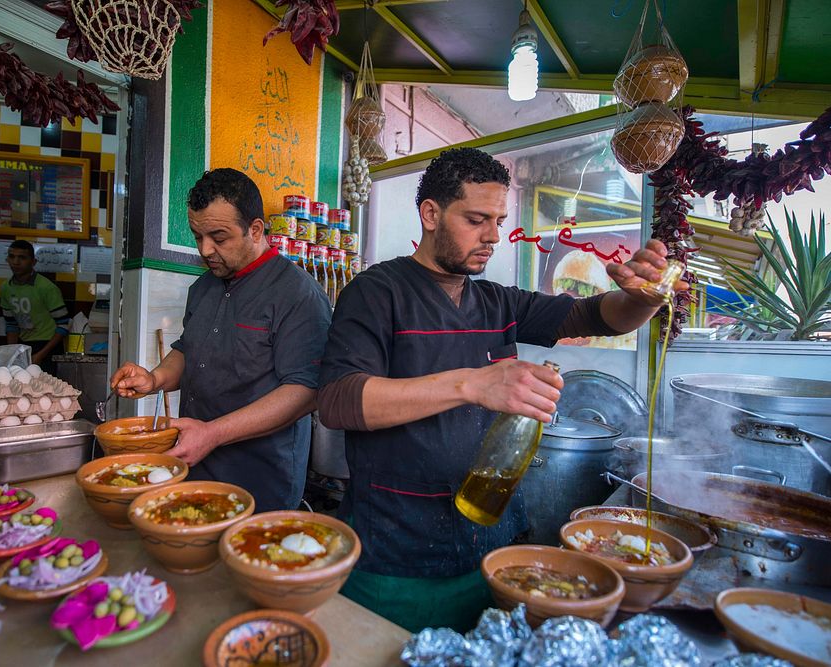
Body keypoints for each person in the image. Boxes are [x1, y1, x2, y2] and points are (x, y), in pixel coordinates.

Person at [317, 147, 687, 633]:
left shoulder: (497, 301)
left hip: (493, 546)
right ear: (430, 214)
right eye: (476, 219)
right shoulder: (376, 291)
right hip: (398, 551)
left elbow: (599, 315)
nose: (493, 235)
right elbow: (338, 400)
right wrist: (472, 383)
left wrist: (641, 300)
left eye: (498, 219)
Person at [111, 168, 332, 512]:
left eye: (219, 237)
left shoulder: (297, 294)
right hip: (196, 465)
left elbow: (306, 392)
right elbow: (188, 350)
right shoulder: (204, 287)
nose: (205, 249)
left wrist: (213, 433)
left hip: (259, 478)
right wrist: (154, 379)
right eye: (198, 236)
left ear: (255, 230)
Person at [0, 240, 69, 374]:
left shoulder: (46, 288)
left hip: (48, 348)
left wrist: (40, 355)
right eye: (12, 257)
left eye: (22, 258)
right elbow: (11, 324)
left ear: (33, 262)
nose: (16, 262)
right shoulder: (6, 288)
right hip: (24, 346)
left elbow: (64, 326)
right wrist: (12, 354)